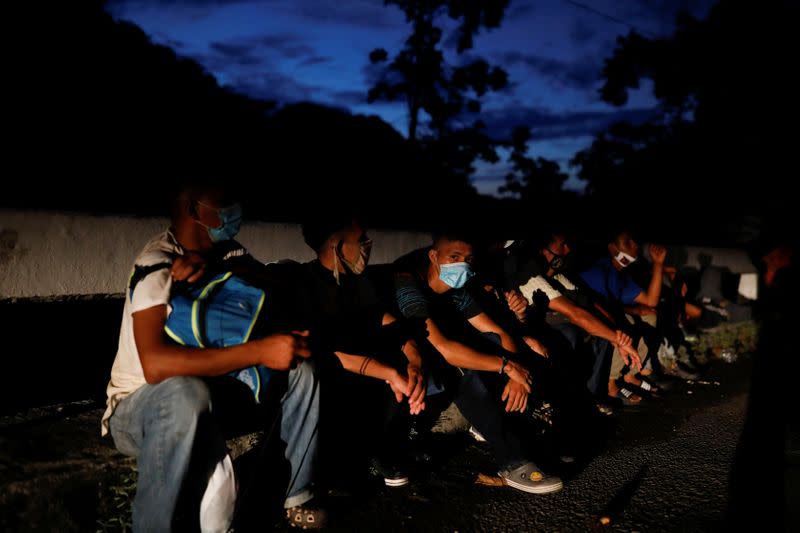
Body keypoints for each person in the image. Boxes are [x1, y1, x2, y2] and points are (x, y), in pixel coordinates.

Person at [100, 180, 322, 531]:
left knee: (301, 371)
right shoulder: (157, 262)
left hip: (209, 398)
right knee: (187, 392)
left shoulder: (231, 254)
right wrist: (259, 351)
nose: (236, 208)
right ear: (192, 209)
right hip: (142, 410)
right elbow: (155, 366)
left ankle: (289, 496)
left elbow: (271, 281)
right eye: (225, 200)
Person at [392, 229, 563, 494]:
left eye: (468, 258)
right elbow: (444, 348)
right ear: (434, 256)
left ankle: (524, 437)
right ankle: (513, 462)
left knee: (507, 347)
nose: (462, 264)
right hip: (408, 360)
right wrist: (508, 367)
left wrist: (514, 374)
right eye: (454, 256)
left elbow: (497, 332)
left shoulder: (456, 288)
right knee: (465, 371)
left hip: (443, 355)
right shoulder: (408, 282)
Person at [288, 214, 426, 489]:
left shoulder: (356, 281)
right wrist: (390, 373)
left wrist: (414, 362)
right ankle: (343, 460)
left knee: (400, 368)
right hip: (330, 376)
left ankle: (381, 451)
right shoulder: (307, 284)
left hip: (364, 369)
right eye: (361, 239)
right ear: (337, 247)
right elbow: (328, 352)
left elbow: (390, 324)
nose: (367, 244)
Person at [494, 232, 642, 406]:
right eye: (563, 244)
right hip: (524, 332)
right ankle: (564, 401)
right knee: (569, 333)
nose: (568, 249)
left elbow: (587, 305)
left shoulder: (558, 276)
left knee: (601, 332)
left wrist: (616, 334)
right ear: (543, 249)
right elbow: (576, 314)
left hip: (530, 326)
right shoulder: (529, 274)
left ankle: (594, 397)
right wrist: (618, 339)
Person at [579, 228, 672, 398]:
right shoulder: (598, 269)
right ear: (613, 248)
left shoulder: (621, 274)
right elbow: (598, 306)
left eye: (634, 240)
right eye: (627, 241)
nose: (635, 244)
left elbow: (651, 301)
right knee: (623, 321)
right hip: (588, 319)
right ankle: (610, 383)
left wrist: (658, 264)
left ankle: (631, 374)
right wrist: (633, 310)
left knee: (650, 315)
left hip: (609, 313)